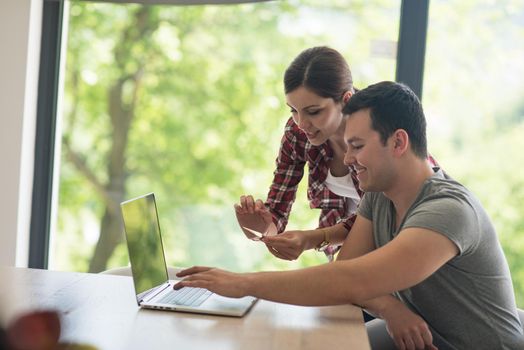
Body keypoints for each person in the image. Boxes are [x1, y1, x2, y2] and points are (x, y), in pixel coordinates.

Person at [175, 81, 524, 349]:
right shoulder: (379, 196)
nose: (348, 159)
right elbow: (345, 275)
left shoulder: (448, 211)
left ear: (399, 143)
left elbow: (352, 281)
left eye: (357, 146)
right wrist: (390, 308)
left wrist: (241, 284)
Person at [235, 46, 363, 261]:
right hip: (345, 238)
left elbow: (376, 217)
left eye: (314, 112)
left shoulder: (377, 131)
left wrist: (313, 239)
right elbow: (276, 212)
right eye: (293, 110)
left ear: (346, 100)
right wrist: (262, 229)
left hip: (403, 234)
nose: (302, 123)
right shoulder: (298, 134)